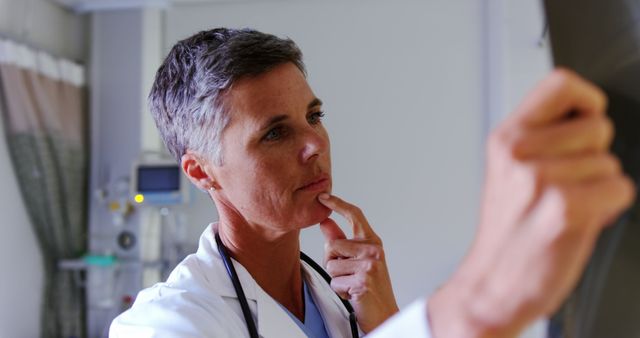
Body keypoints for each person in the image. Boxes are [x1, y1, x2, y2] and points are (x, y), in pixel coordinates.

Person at [110, 28, 634, 338]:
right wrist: (479, 299)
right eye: (274, 133)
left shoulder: (338, 299)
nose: (314, 144)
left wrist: (382, 319)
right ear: (202, 171)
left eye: (314, 115)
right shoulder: (167, 322)